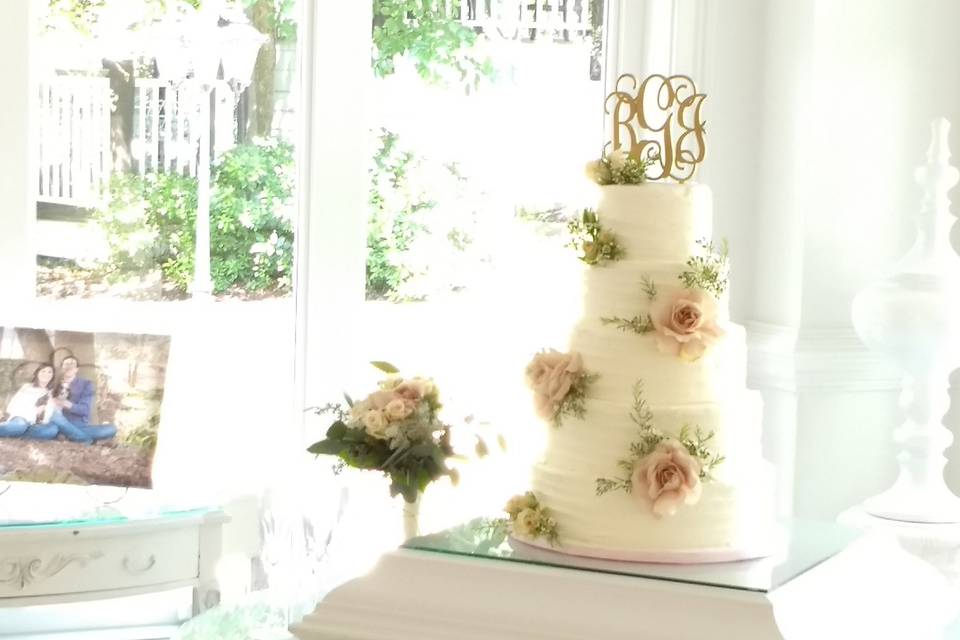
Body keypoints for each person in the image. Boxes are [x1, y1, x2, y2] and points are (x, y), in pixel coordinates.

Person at [44, 355, 117, 444]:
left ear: (76, 369)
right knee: (52, 425)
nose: (69, 367)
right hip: (58, 424)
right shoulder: (53, 384)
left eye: (72, 364)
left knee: (111, 429)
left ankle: (71, 436)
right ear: (62, 368)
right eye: (66, 364)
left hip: (78, 425)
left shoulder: (86, 384)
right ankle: (84, 439)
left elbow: (84, 410)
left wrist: (64, 403)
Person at [0, 363, 59, 439]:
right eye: (43, 371)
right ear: (37, 373)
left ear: (52, 376)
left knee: (53, 429)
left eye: (49, 372)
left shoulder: (50, 392)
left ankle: (18, 435)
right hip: (21, 418)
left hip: (34, 423)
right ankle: (17, 431)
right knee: (21, 425)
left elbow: (49, 412)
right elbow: (14, 403)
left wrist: (42, 421)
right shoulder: (27, 387)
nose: (46, 374)